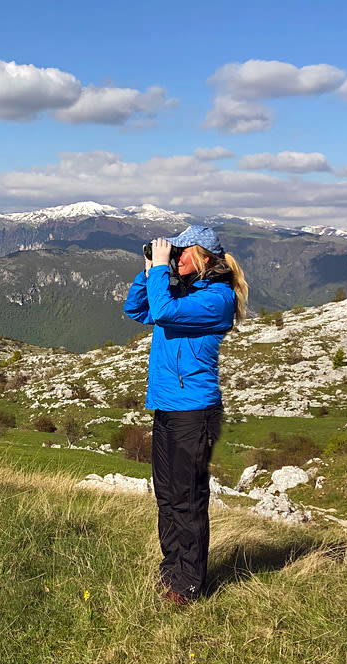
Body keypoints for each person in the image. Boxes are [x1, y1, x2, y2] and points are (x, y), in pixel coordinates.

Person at [122, 225, 248, 605]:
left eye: (181, 253)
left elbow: (161, 310)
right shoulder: (184, 291)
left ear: (204, 257)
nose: (174, 258)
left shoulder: (217, 299)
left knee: (187, 498)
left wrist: (162, 269)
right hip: (166, 405)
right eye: (171, 253)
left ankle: (189, 585)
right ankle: (171, 571)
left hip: (194, 412)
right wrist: (148, 271)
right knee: (167, 497)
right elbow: (137, 308)